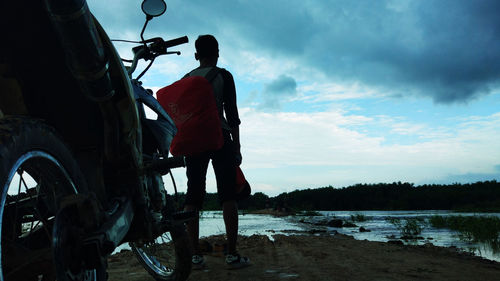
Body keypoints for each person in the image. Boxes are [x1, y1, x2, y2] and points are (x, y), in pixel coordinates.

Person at [183, 35, 249, 269]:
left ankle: (194, 257)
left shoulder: (187, 79)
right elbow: (232, 115)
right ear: (218, 53)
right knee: (228, 195)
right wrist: (238, 147)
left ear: (195, 55)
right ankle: (231, 255)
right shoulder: (224, 76)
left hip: (193, 142)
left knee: (193, 197)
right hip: (220, 138)